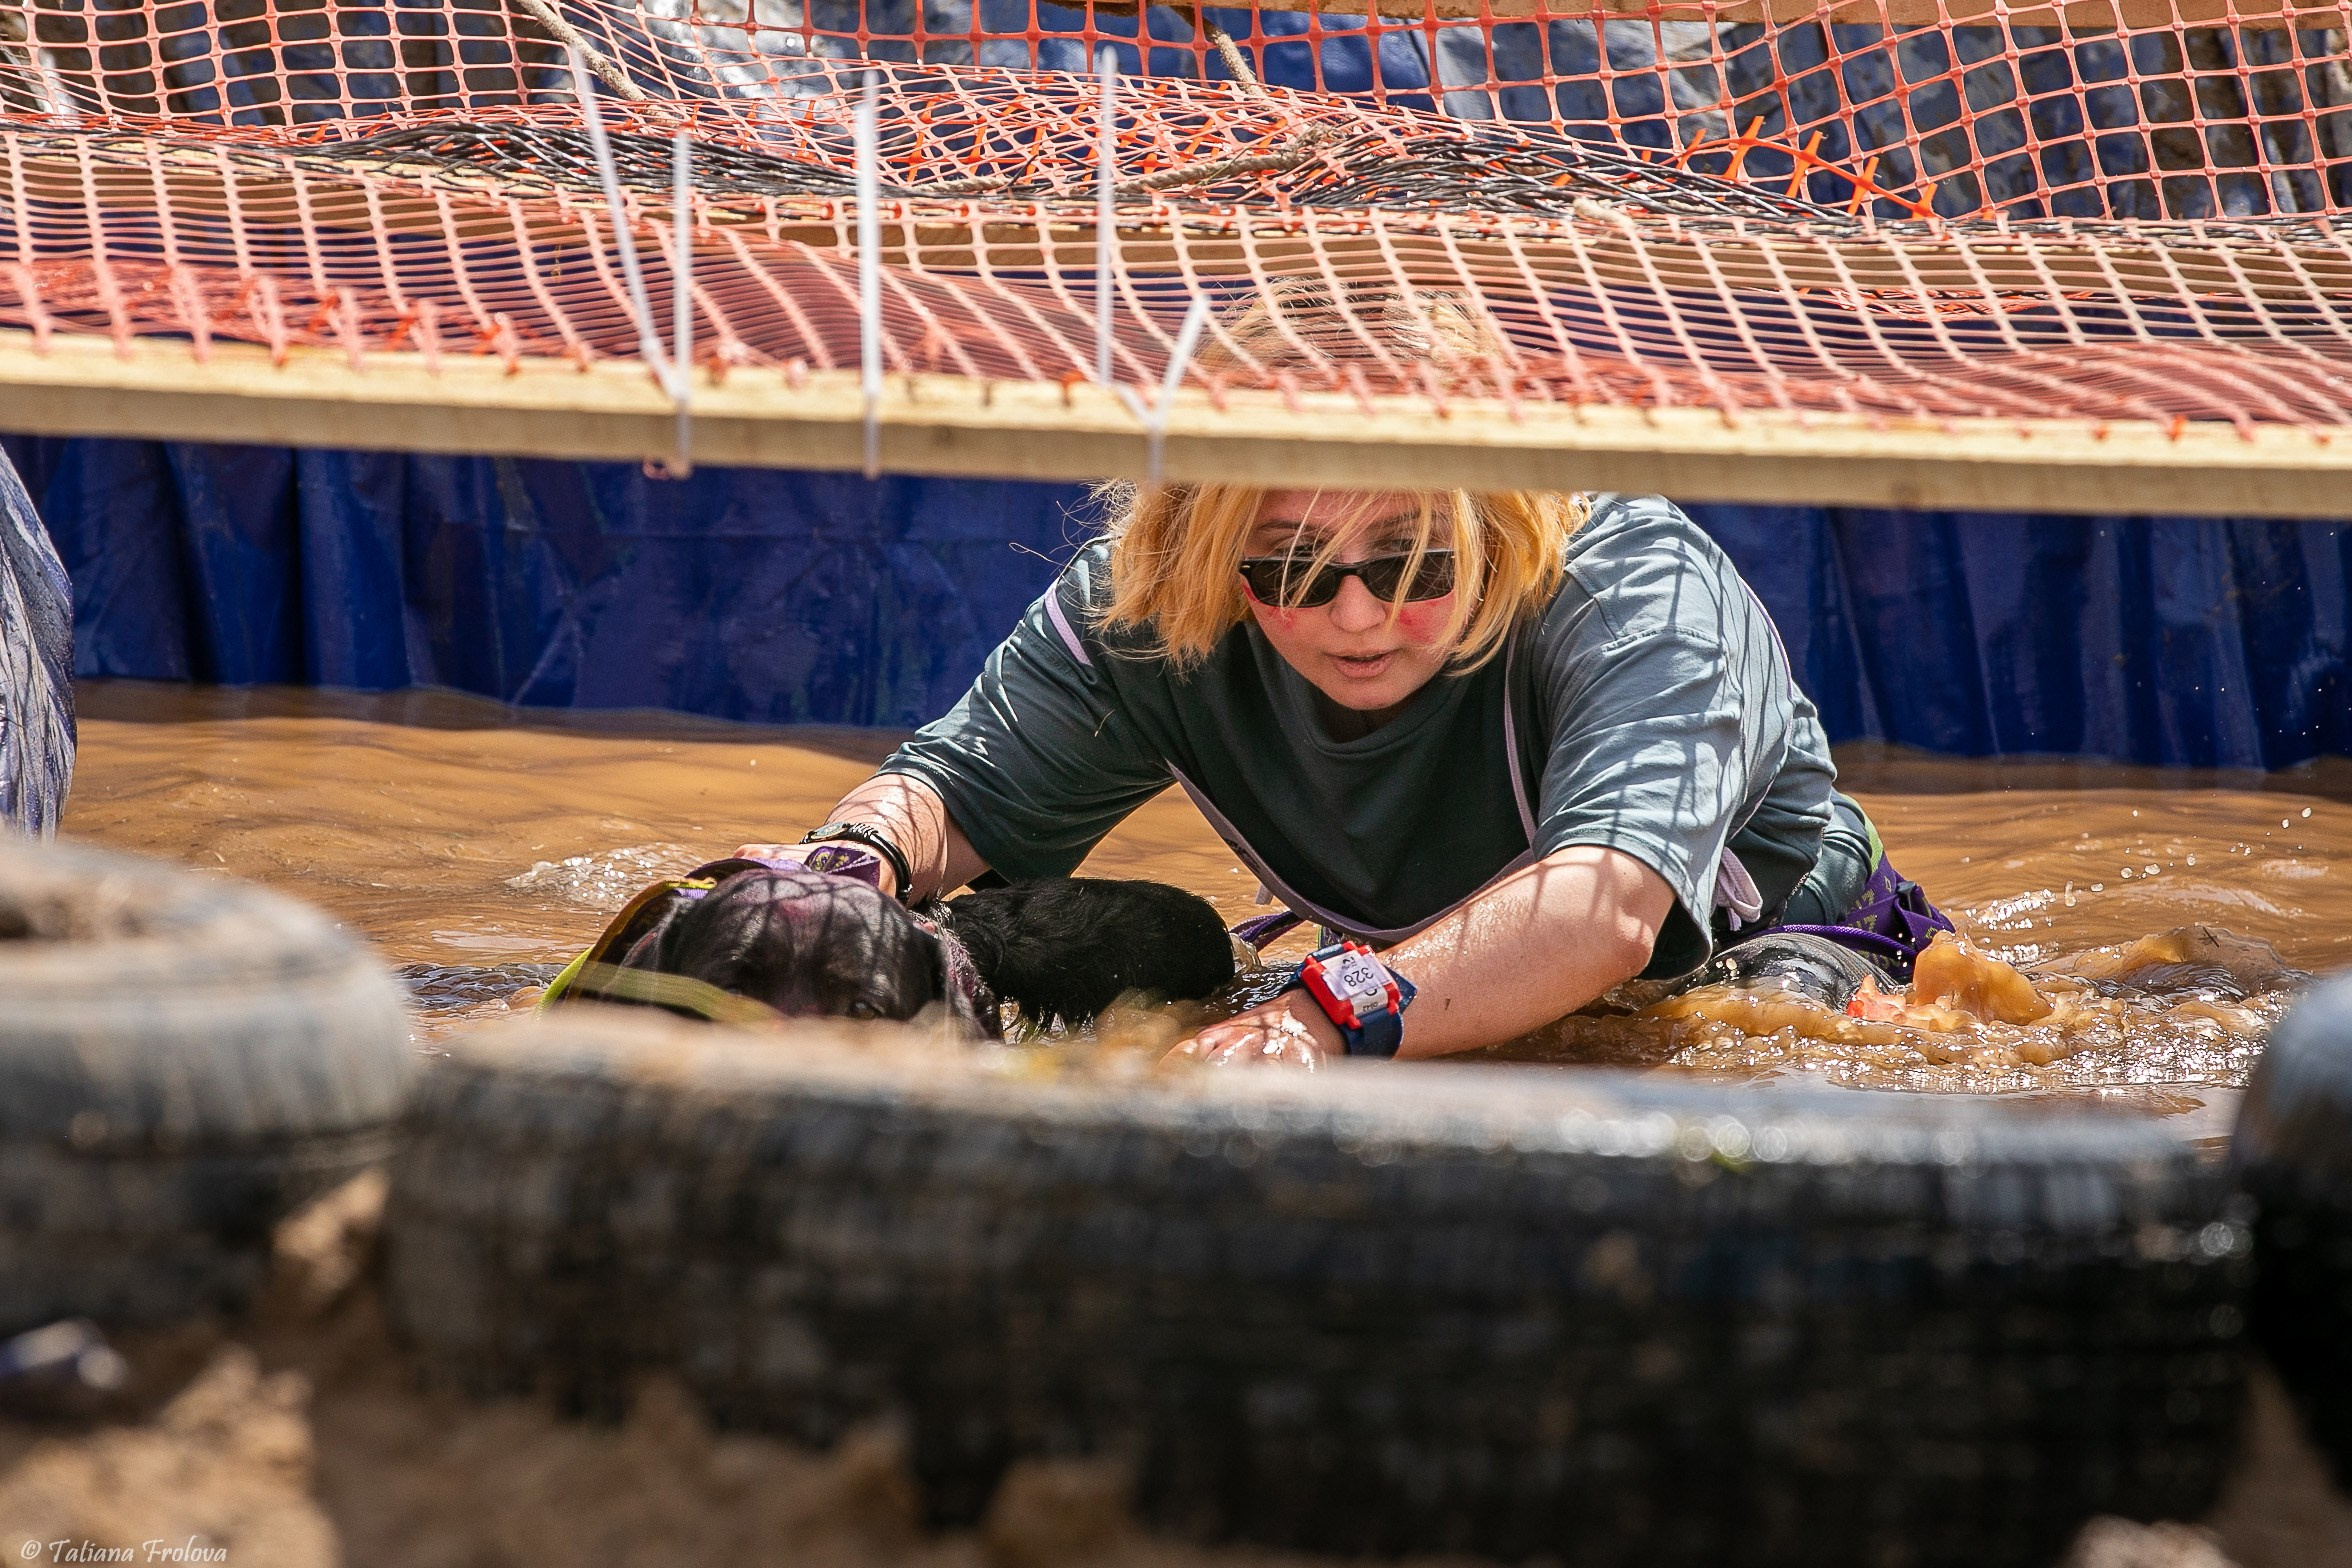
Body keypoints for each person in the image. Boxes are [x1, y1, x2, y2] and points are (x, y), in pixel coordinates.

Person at [744, 293, 1926, 1064]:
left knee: (1762, 1045)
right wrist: (843, 870)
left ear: (1498, 524)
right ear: (1213, 550)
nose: (1354, 613)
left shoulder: (1643, 591)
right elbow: (952, 788)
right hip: (1412, 962)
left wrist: (1317, 1015)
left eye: (1411, 560)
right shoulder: (1159, 594)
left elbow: (1605, 914)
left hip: (1770, 950)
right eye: (1290, 566)